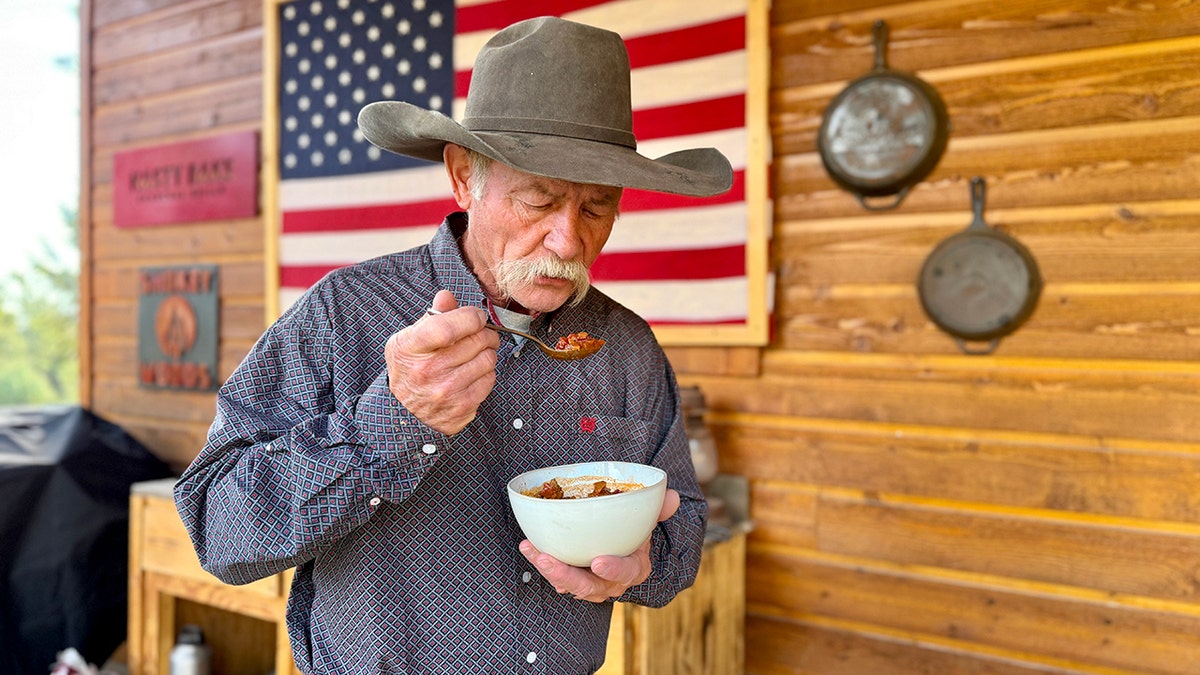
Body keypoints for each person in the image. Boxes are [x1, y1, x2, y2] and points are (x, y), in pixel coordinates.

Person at [174, 15, 732, 675]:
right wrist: (393, 421)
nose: (568, 242)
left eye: (596, 208)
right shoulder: (344, 313)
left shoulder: (627, 348)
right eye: (539, 200)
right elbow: (219, 528)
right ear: (465, 176)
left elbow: (683, 535)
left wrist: (641, 565)